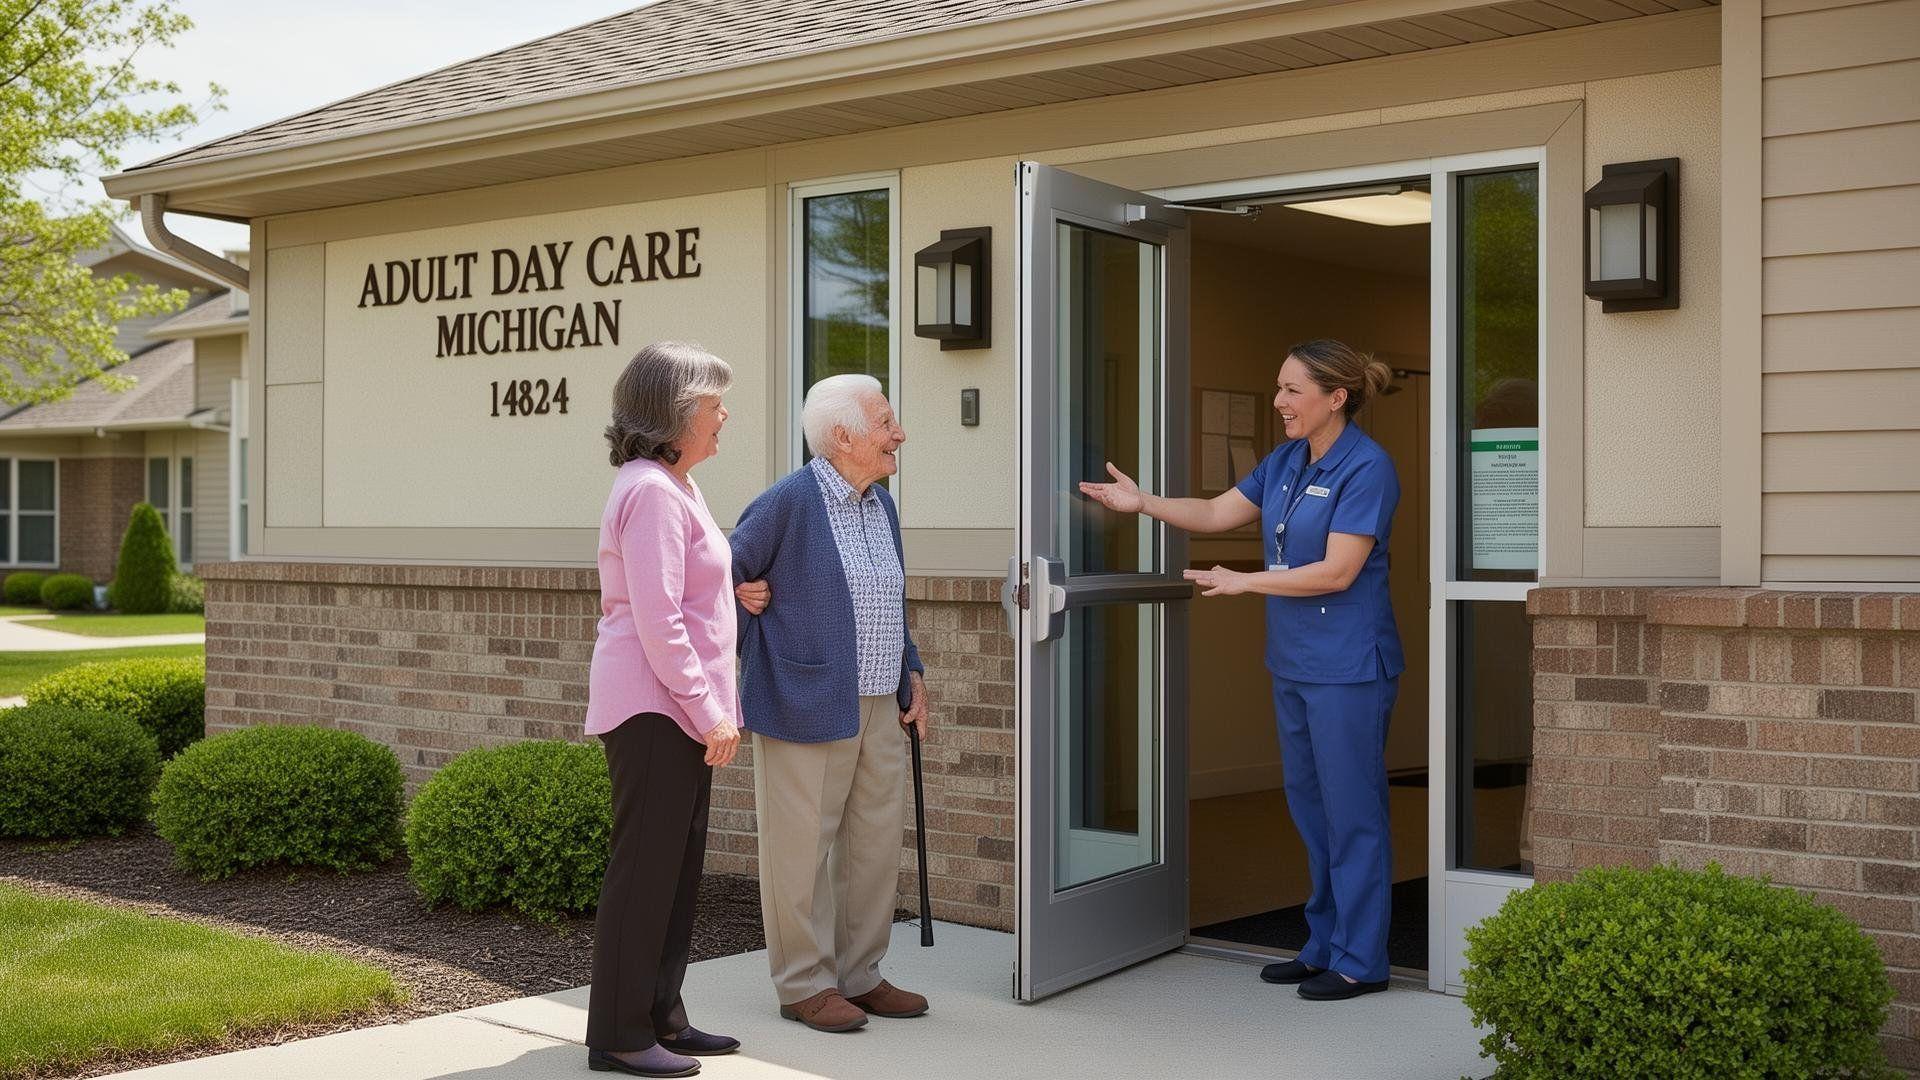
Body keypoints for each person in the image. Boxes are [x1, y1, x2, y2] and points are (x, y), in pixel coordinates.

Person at [1081, 339, 1403, 1001]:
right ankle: (1322, 945)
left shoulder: (1367, 467)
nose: (1280, 402)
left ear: (1335, 397)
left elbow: (1339, 571)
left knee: (1353, 814)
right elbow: (1217, 513)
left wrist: (1246, 582)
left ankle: (1362, 960)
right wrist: (1143, 505)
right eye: (1279, 387)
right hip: (1295, 662)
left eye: (1292, 390)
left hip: (1349, 668)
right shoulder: (1286, 462)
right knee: (1312, 811)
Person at [727, 373, 932, 1034]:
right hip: (803, 697)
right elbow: (719, 577)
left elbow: (888, 600)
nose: (898, 434)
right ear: (844, 437)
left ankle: (860, 974)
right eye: (886, 422)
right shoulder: (789, 502)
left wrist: (913, 669)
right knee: (799, 851)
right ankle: (803, 984)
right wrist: (743, 597)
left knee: (873, 845)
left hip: (878, 699)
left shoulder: (881, 505)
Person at [584, 342, 744, 1078]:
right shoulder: (649, 490)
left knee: (676, 873)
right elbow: (657, 620)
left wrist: (739, 596)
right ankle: (619, 1034)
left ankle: (661, 1017)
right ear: (679, 413)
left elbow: (687, 588)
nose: (723, 416)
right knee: (645, 873)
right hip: (656, 710)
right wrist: (709, 710)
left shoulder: (675, 485)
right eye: (714, 403)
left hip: (678, 708)